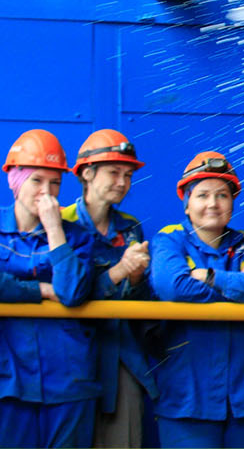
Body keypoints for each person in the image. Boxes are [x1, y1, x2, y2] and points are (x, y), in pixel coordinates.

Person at [151, 151, 244, 447]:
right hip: (187, 397)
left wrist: (208, 277)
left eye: (222, 195)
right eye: (203, 195)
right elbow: (173, 286)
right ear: (186, 202)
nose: (212, 204)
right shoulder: (169, 239)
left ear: (233, 201)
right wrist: (238, 285)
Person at [0, 129, 99, 447]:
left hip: (68, 381)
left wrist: (55, 229)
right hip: (8, 381)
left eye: (54, 183)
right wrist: (40, 291)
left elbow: (71, 292)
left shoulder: (78, 236)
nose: (46, 192)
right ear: (14, 180)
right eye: (36, 181)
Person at [61, 129, 155, 447]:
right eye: (114, 172)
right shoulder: (60, 223)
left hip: (121, 356)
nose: (122, 183)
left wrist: (138, 277)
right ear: (87, 173)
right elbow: (69, 293)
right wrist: (118, 271)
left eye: (127, 175)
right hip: (68, 354)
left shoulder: (131, 228)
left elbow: (142, 301)